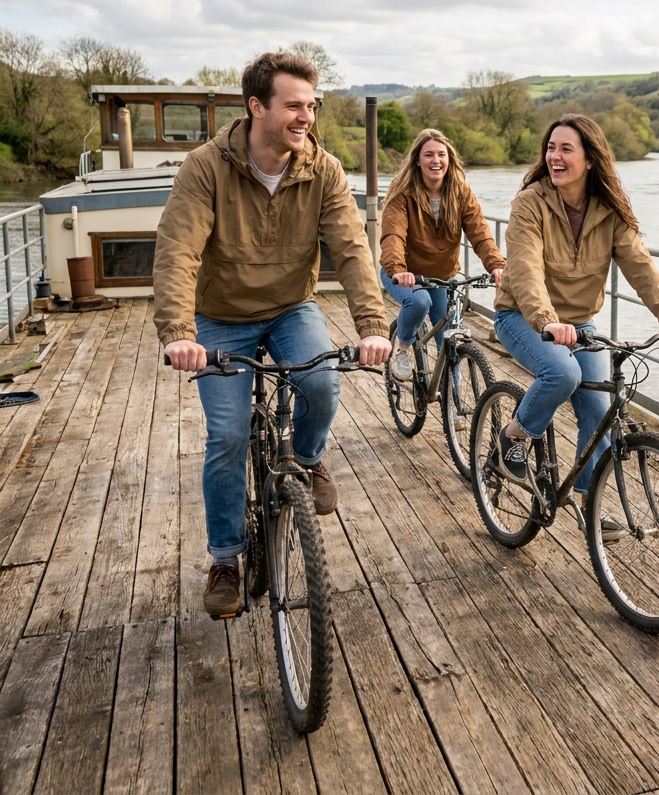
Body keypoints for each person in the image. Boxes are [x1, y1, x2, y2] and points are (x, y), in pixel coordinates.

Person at [154, 51, 391, 619]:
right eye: (293, 105)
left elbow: (354, 251)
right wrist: (178, 332)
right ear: (256, 106)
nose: (306, 116)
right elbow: (178, 251)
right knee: (230, 435)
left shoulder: (324, 170)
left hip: (290, 306)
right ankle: (226, 560)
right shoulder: (205, 167)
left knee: (324, 385)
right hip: (219, 316)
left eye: (312, 105)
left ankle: (307, 461)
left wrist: (373, 326)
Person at [491, 114, 659, 506]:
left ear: (589, 160)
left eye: (566, 148)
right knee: (562, 372)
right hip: (522, 316)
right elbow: (526, 270)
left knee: (598, 410)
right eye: (551, 148)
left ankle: (590, 502)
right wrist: (548, 321)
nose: (555, 155)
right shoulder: (529, 204)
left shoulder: (609, 211)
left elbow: (641, 268)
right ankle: (515, 435)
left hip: (580, 322)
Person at [379, 128, 505, 379]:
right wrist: (398, 269)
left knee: (450, 343)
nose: (435, 161)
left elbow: (479, 233)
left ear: (449, 159)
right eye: (428, 155)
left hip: (442, 276)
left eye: (441, 154)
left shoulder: (460, 191)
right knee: (419, 301)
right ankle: (403, 347)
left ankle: (452, 404)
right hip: (404, 274)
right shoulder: (402, 192)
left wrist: (496, 265)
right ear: (417, 160)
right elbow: (394, 235)